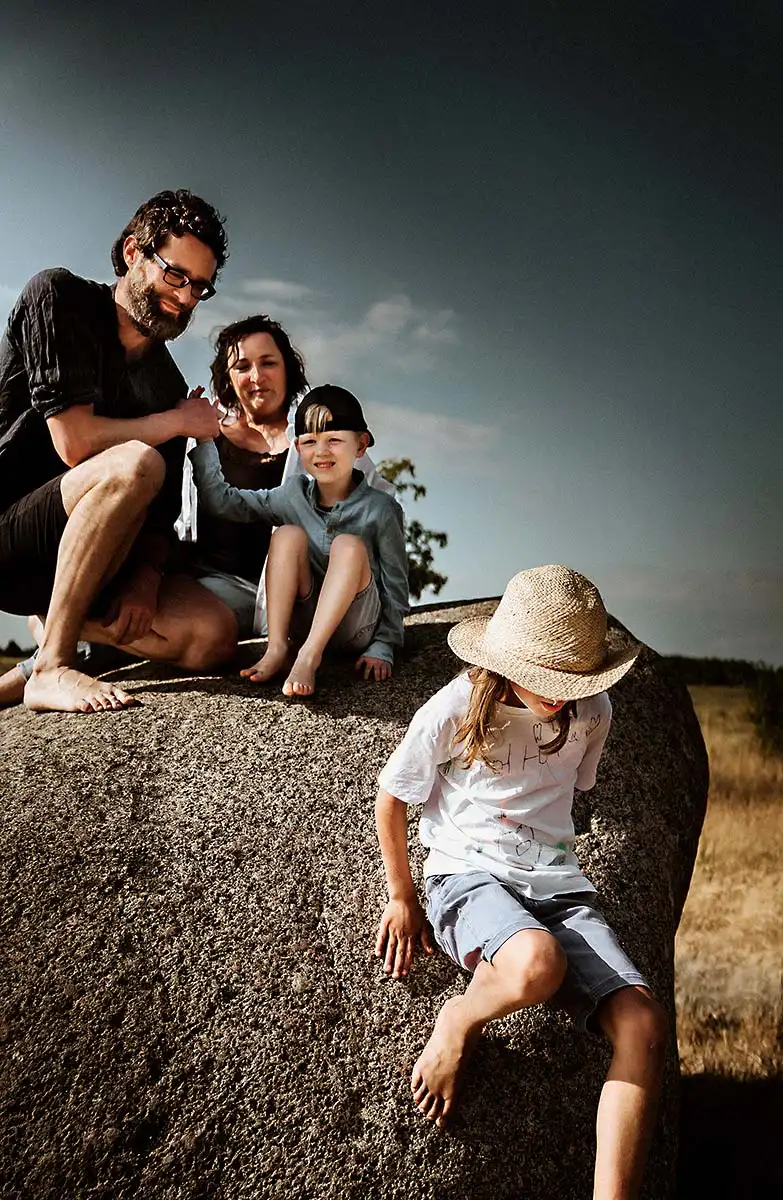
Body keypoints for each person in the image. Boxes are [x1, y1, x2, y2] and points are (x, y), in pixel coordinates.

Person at [374, 565, 667, 1200]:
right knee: (537, 962)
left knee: (643, 1023)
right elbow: (392, 796)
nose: (559, 694)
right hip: (469, 875)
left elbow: (568, 793)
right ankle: (460, 1017)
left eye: (573, 680)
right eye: (545, 678)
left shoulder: (596, 711)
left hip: (557, 883)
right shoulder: (457, 705)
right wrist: (403, 897)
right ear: (507, 659)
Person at [0, 189, 237, 713]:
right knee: (135, 462)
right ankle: (51, 665)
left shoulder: (167, 381)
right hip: (9, 538)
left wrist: (145, 581)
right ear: (133, 253)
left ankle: (68, 636)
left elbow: (159, 521)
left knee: (212, 632)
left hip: (88, 565)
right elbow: (74, 442)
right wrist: (177, 421)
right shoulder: (58, 298)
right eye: (176, 275)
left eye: (201, 287)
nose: (186, 298)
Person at [189, 384, 409, 697]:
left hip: (355, 627)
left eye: (334, 440)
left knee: (348, 545)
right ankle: (277, 648)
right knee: (286, 534)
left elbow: (395, 585)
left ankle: (309, 657)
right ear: (297, 448)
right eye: (310, 442)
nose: (321, 451)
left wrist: (384, 645)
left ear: (360, 445)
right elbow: (221, 501)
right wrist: (204, 437)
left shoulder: (381, 508)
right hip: (301, 625)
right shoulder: (291, 495)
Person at [176, 314, 309, 640]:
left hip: (277, 595)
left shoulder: (316, 439)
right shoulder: (203, 435)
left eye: (268, 363)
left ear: (287, 369)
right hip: (201, 580)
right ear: (228, 378)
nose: (256, 376)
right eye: (242, 366)